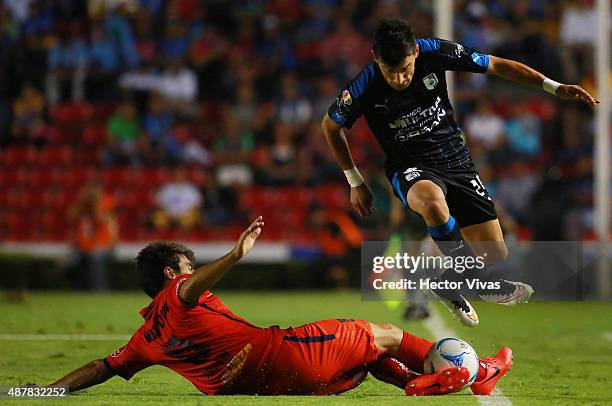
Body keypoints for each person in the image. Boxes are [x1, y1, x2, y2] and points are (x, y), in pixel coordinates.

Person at [321, 18, 599, 326]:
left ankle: (446, 284)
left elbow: (495, 65)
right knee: (433, 204)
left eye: (405, 70)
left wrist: (553, 87)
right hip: (409, 165)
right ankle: (473, 284)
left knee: (495, 252)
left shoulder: (435, 52)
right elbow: (331, 126)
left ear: (415, 52)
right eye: (391, 72)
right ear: (375, 57)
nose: (399, 79)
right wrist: (355, 180)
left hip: (456, 161)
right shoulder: (364, 84)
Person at [50, 217, 511, 397]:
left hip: (284, 384)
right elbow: (191, 289)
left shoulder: (144, 340)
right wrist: (233, 256)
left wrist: (41, 393)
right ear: (172, 275)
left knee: (370, 360)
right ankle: (470, 373)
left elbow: (99, 368)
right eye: (187, 266)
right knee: (382, 333)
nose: (192, 270)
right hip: (288, 353)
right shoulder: (180, 292)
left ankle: (420, 380)